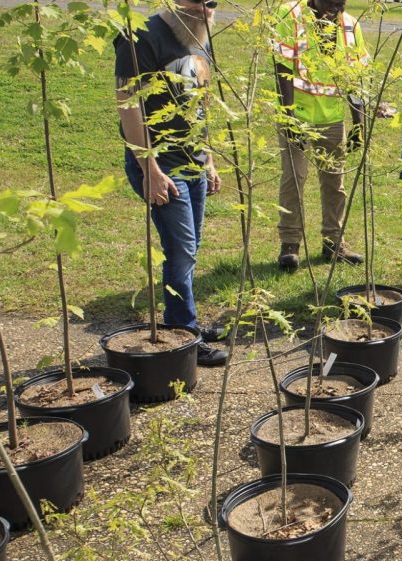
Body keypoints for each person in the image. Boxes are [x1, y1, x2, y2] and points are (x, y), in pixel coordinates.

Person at [114, 0, 228, 367]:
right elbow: (128, 105)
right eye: (196, 2)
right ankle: (186, 335)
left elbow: (201, 99)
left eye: (211, 3)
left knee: (189, 250)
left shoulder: (199, 34)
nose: (205, 9)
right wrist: (149, 168)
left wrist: (208, 158)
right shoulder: (140, 37)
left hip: (194, 160)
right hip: (161, 164)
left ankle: (185, 324)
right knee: (181, 252)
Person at [270, 0, 369, 271]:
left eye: (341, 3)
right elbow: (282, 67)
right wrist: (289, 116)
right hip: (296, 114)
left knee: (334, 182)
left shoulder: (350, 26)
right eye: (332, 1)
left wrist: (358, 123)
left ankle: (333, 242)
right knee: (294, 177)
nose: (337, 7)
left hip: (332, 117)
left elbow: (356, 78)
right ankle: (290, 244)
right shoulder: (290, 15)